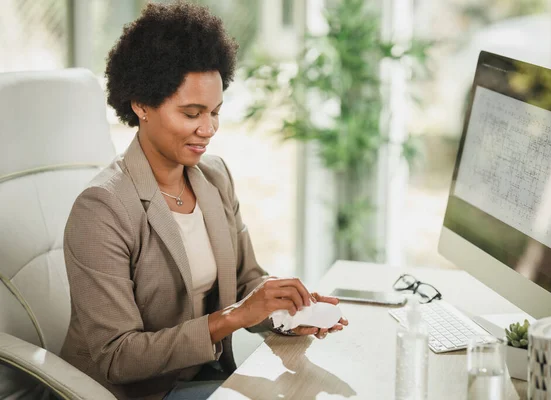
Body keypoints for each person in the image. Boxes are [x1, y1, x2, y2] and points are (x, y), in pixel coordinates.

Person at [59, 2, 348, 400]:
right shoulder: (102, 208)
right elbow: (117, 356)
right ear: (141, 104)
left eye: (215, 111)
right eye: (192, 113)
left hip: (206, 378)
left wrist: (286, 311)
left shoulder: (214, 177)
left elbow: (247, 281)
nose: (208, 128)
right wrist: (232, 318)